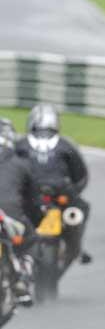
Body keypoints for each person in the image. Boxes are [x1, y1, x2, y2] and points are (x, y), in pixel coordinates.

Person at [16, 104, 91, 269]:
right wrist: (73, 193)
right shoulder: (66, 145)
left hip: (27, 195)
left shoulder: (20, 144)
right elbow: (81, 176)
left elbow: (9, 170)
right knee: (82, 208)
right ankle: (76, 248)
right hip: (60, 194)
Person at [0, 119, 43, 304]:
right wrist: (36, 220)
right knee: (31, 239)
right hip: (11, 214)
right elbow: (33, 201)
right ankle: (22, 278)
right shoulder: (21, 164)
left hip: (6, 216)